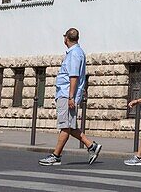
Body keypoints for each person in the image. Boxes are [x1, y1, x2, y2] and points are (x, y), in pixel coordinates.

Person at [39, 28, 102, 166]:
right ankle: (91, 146)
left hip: (67, 94)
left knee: (65, 126)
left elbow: (74, 76)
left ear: (66, 38)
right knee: (69, 125)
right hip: (67, 93)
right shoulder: (76, 53)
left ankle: (56, 156)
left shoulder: (74, 54)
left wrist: (71, 97)